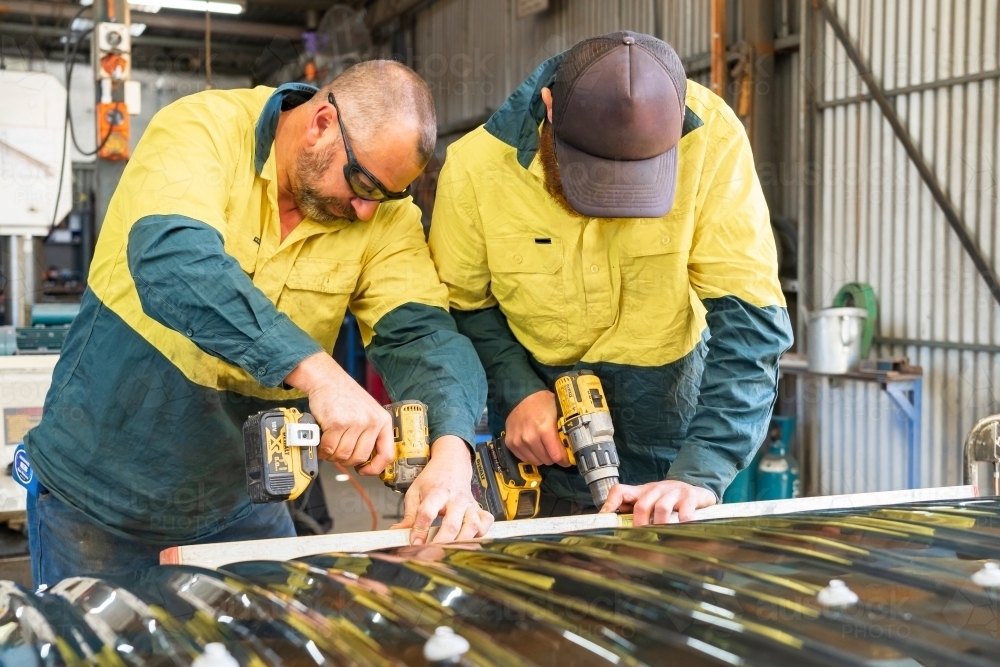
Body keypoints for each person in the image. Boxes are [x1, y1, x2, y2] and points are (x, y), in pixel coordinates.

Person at [25, 60, 492, 588]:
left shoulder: (383, 214)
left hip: (246, 506)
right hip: (100, 501)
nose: (366, 211)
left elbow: (423, 336)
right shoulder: (204, 128)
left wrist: (453, 450)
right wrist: (321, 375)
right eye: (361, 183)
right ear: (321, 123)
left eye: (384, 195)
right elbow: (174, 262)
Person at [429, 32, 793, 526]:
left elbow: (749, 323)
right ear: (551, 109)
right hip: (541, 436)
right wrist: (519, 392)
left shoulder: (712, 139)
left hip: (669, 424)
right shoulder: (477, 167)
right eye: (593, 175)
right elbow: (464, 308)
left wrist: (701, 469)